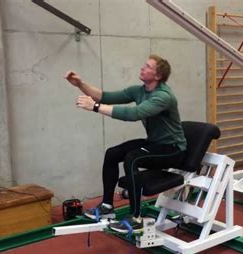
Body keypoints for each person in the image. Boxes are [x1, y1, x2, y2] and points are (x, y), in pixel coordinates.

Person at [65, 54, 187, 233]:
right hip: (155, 143)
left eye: (147, 67)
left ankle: (136, 217)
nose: (142, 68)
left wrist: (96, 107)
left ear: (158, 76)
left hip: (173, 150)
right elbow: (105, 96)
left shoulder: (163, 96)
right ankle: (107, 206)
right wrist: (80, 84)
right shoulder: (139, 91)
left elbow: (134, 114)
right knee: (113, 153)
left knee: (132, 158)